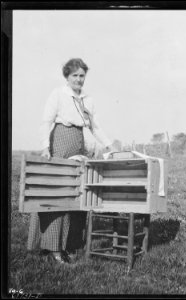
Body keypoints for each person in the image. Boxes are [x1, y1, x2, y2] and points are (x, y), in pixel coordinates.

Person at [27, 58, 116, 264]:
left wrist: (110, 146)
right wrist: (45, 148)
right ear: (67, 76)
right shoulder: (58, 94)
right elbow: (46, 121)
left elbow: (96, 127)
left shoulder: (88, 99)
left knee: (76, 195)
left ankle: (69, 244)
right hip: (59, 141)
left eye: (82, 75)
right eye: (74, 75)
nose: (78, 79)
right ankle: (53, 248)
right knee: (57, 196)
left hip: (78, 143)